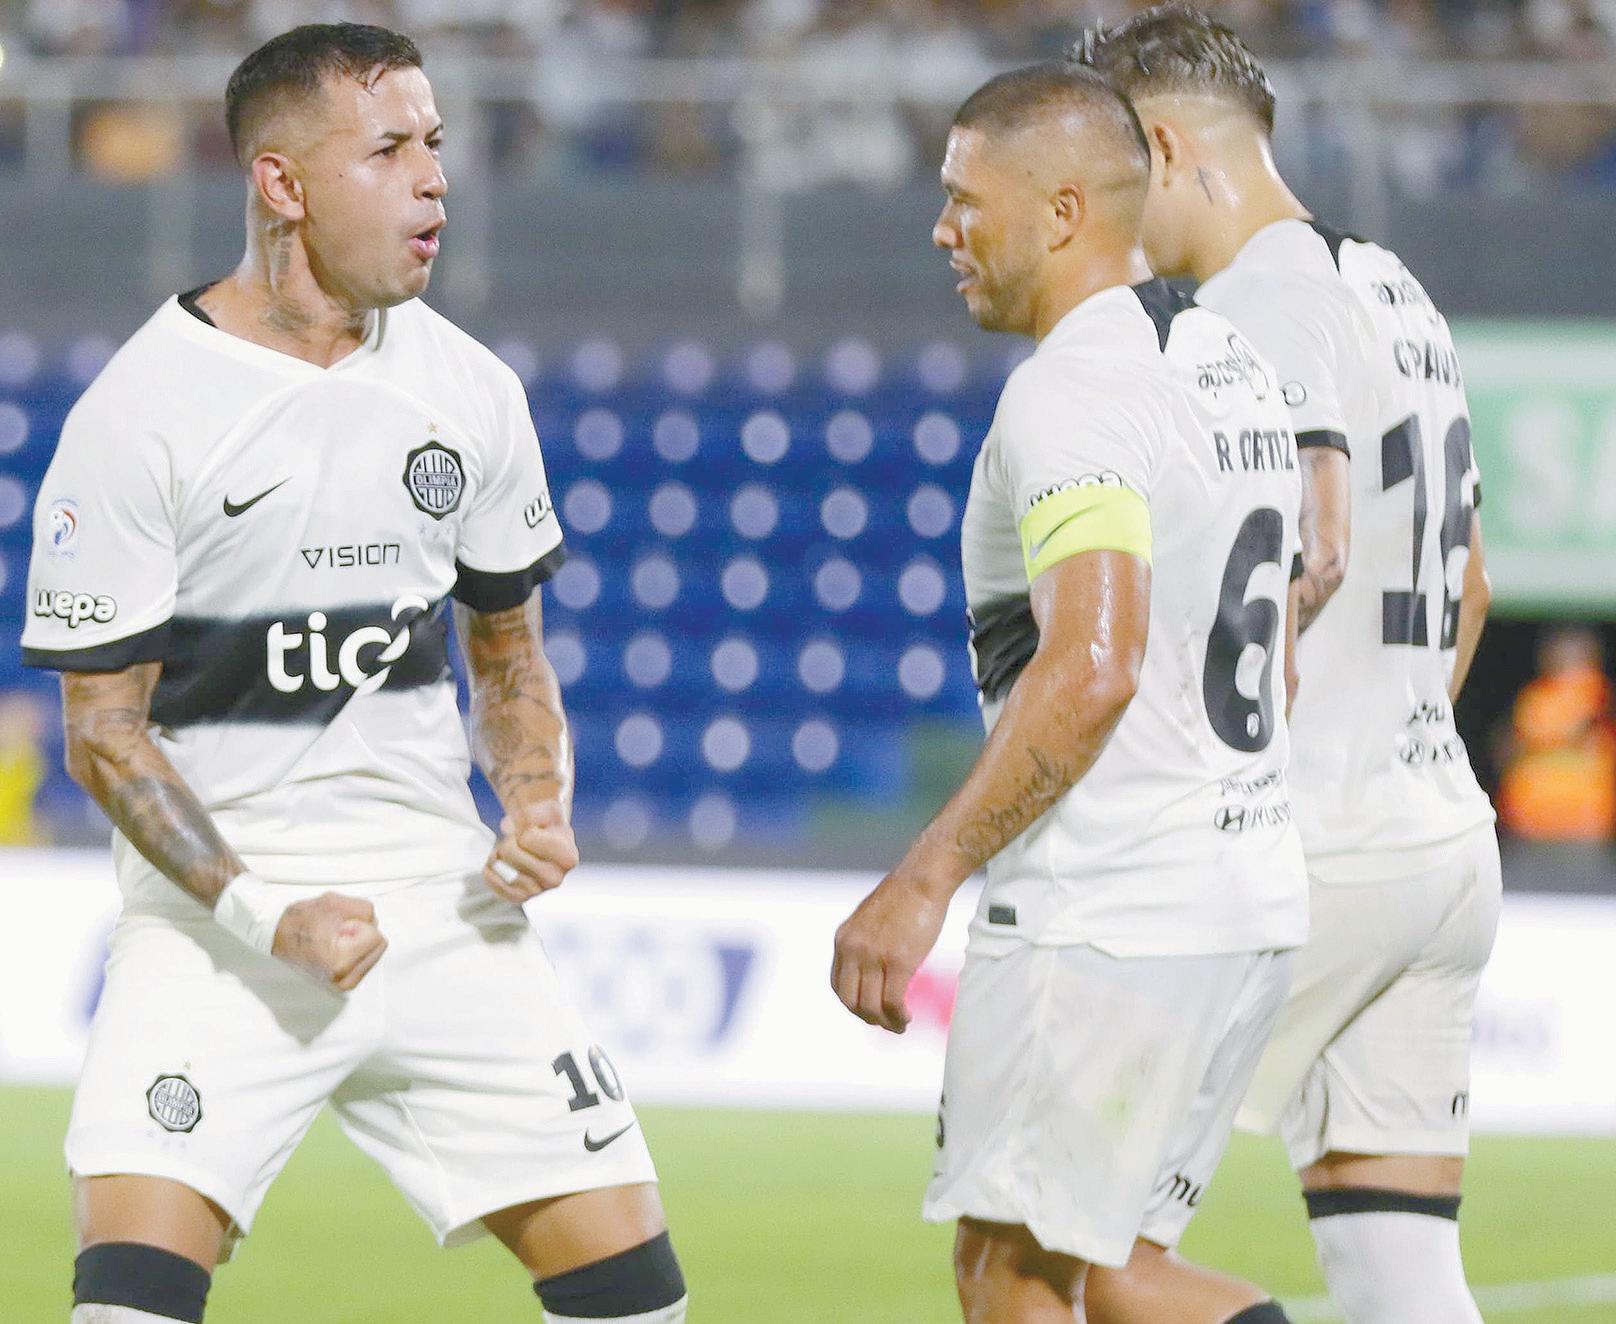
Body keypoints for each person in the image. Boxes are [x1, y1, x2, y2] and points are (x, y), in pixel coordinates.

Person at [21, 23, 686, 1324]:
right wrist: (266, 914)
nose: (433, 178)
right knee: (128, 1306)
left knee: (639, 1301)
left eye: (434, 143)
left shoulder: (471, 391)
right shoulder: (141, 414)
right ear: (280, 183)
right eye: (387, 150)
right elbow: (103, 733)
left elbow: (507, 654)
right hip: (218, 931)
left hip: (442, 909)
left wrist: (536, 799)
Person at [831, 60, 1307, 1324]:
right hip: (1242, 893)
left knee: (1013, 1271)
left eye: (962, 199)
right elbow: (1285, 637)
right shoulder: (1227, 360)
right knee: (1120, 1270)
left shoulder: (1074, 389)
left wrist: (922, 877)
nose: (942, 230)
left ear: (1058, 213)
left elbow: (1092, 663)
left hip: (1107, 911)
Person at [1075, 8, 1499, 1323]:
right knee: (1395, 1263)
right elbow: (1472, 586)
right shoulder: (1395, 289)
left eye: (1108, 174)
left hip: (1309, 846)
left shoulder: (1260, 297)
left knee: (1070, 1250)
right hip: (1437, 840)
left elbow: (1306, 551)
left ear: (1163, 147)